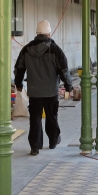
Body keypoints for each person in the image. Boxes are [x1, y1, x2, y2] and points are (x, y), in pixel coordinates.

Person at [14, 20, 72, 156]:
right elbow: (63, 69)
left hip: (34, 91)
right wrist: (68, 85)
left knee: (35, 118)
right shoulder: (55, 49)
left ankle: (35, 146)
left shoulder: (26, 49)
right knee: (52, 116)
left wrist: (19, 83)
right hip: (51, 91)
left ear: (37, 33)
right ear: (48, 33)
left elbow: (19, 68)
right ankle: (53, 141)